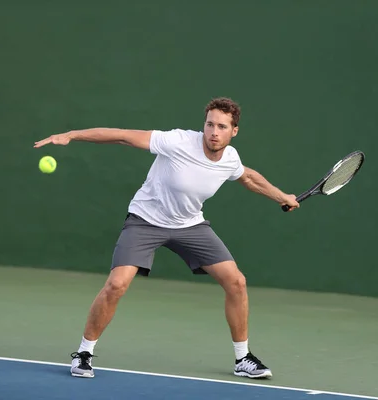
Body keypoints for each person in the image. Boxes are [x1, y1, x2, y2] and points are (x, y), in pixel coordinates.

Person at [34, 97, 299, 380]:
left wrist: (281, 197)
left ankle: (242, 358)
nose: (213, 132)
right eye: (210, 124)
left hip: (189, 226)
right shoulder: (178, 142)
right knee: (116, 284)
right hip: (146, 221)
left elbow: (248, 177)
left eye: (222, 126)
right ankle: (84, 353)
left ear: (233, 131)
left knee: (236, 281)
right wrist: (72, 135)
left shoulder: (230, 159)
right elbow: (123, 137)